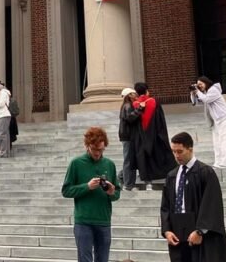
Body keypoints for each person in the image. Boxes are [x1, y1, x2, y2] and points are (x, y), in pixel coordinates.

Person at [160, 132, 226, 262]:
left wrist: (200, 231)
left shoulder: (205, 172)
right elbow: (165, 206)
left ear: (190, 149)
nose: (176, 155)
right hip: (177, 234)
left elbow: (212, 204)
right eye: (174, 151)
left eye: (180, 151)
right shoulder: (172, 176)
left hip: (201, 235)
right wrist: (167, 231)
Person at [61, 127, 120, 262]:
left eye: (101, 149)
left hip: (104, 220)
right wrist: (86, 187)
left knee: (103, 259)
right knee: (85, 259)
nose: (98, 153)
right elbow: (66, 190)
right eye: (94, 149)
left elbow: (117, 194)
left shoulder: (109, 164)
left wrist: (111, 192)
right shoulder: (76, 164)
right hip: (83, 221)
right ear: (87, 146)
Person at [132, 82, 177, 187]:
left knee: (144, 155)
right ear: (147, 91)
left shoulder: (135, 105)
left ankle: (147, 176)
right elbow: (160, 122)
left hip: (141, 136)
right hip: (155, 135)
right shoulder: (154, 102)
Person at [190, 77, 226, 169]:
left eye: (201, 84)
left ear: (206, 82)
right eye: (198, 85)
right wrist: (193, 93)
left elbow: (206, 100)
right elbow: (196, 103)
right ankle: (218, 162)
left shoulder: (213, 90)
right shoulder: (205, 93)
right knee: (217, 142)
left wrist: (198, 91)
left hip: (223, 118)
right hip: (215, 121)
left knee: (225, 141)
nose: (199, 86)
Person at [118, 88, 142, 191]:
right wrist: (140, 109)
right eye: (133, 94)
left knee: (130, 160)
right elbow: (130, 118)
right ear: (129, 95)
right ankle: (128, 184)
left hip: (128, 136)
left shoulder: (127, 105)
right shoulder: (127, 106)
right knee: (128, 160)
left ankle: (126, 180)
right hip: (128, 136)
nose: (136, 95)